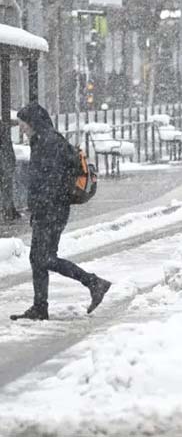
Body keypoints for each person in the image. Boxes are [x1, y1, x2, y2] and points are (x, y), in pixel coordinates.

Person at [10, 103, 111, 321]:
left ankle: (93, 282)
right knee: (38, 258)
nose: (22, 128)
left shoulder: (49, 143)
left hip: (52, 210)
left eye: (23, 124)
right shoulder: (43, 140)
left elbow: (52, 180)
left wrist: (41, 204)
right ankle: (40, 307)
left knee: (44, 258)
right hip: (48, 209)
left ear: (33, 122)